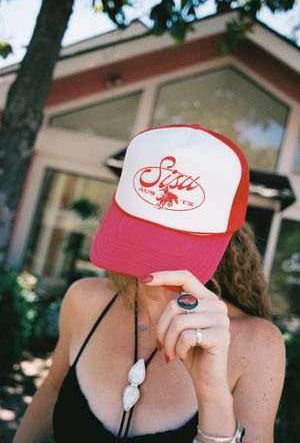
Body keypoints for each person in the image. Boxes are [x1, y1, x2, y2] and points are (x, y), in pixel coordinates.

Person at [13, 124, 285, 442]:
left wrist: (211, 393)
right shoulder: (85, 300)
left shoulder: (257, 345)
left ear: (226, 237)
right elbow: (53, 390)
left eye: (178, 242)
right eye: (145, 234)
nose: (156, 262)